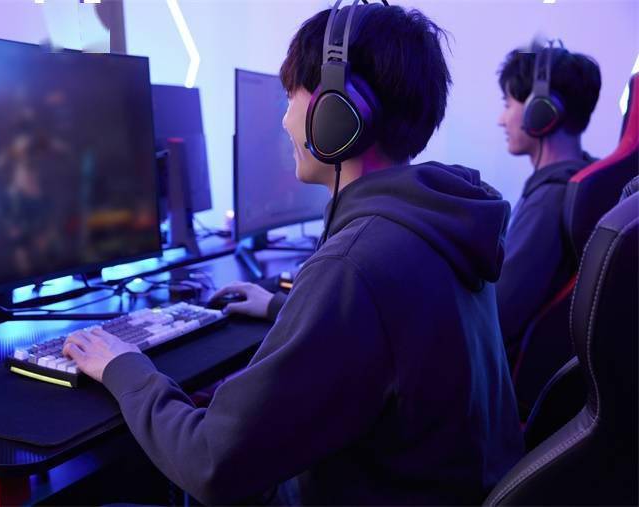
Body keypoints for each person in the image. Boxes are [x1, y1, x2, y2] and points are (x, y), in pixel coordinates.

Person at [62, 3, 523, 504]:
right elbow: (395, 338)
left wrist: (124, 367)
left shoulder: (356, 265)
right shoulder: (439, 221)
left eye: (291, 97)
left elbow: (209, 461)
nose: (284, 121)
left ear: (339, 112)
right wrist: (286, 309)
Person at [495, 42, 601, 364]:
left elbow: (498, 314)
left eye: (507, 104)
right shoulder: (592, 181)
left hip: (514, 380)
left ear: (541, 111)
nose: (501, 119)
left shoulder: (548, 200)